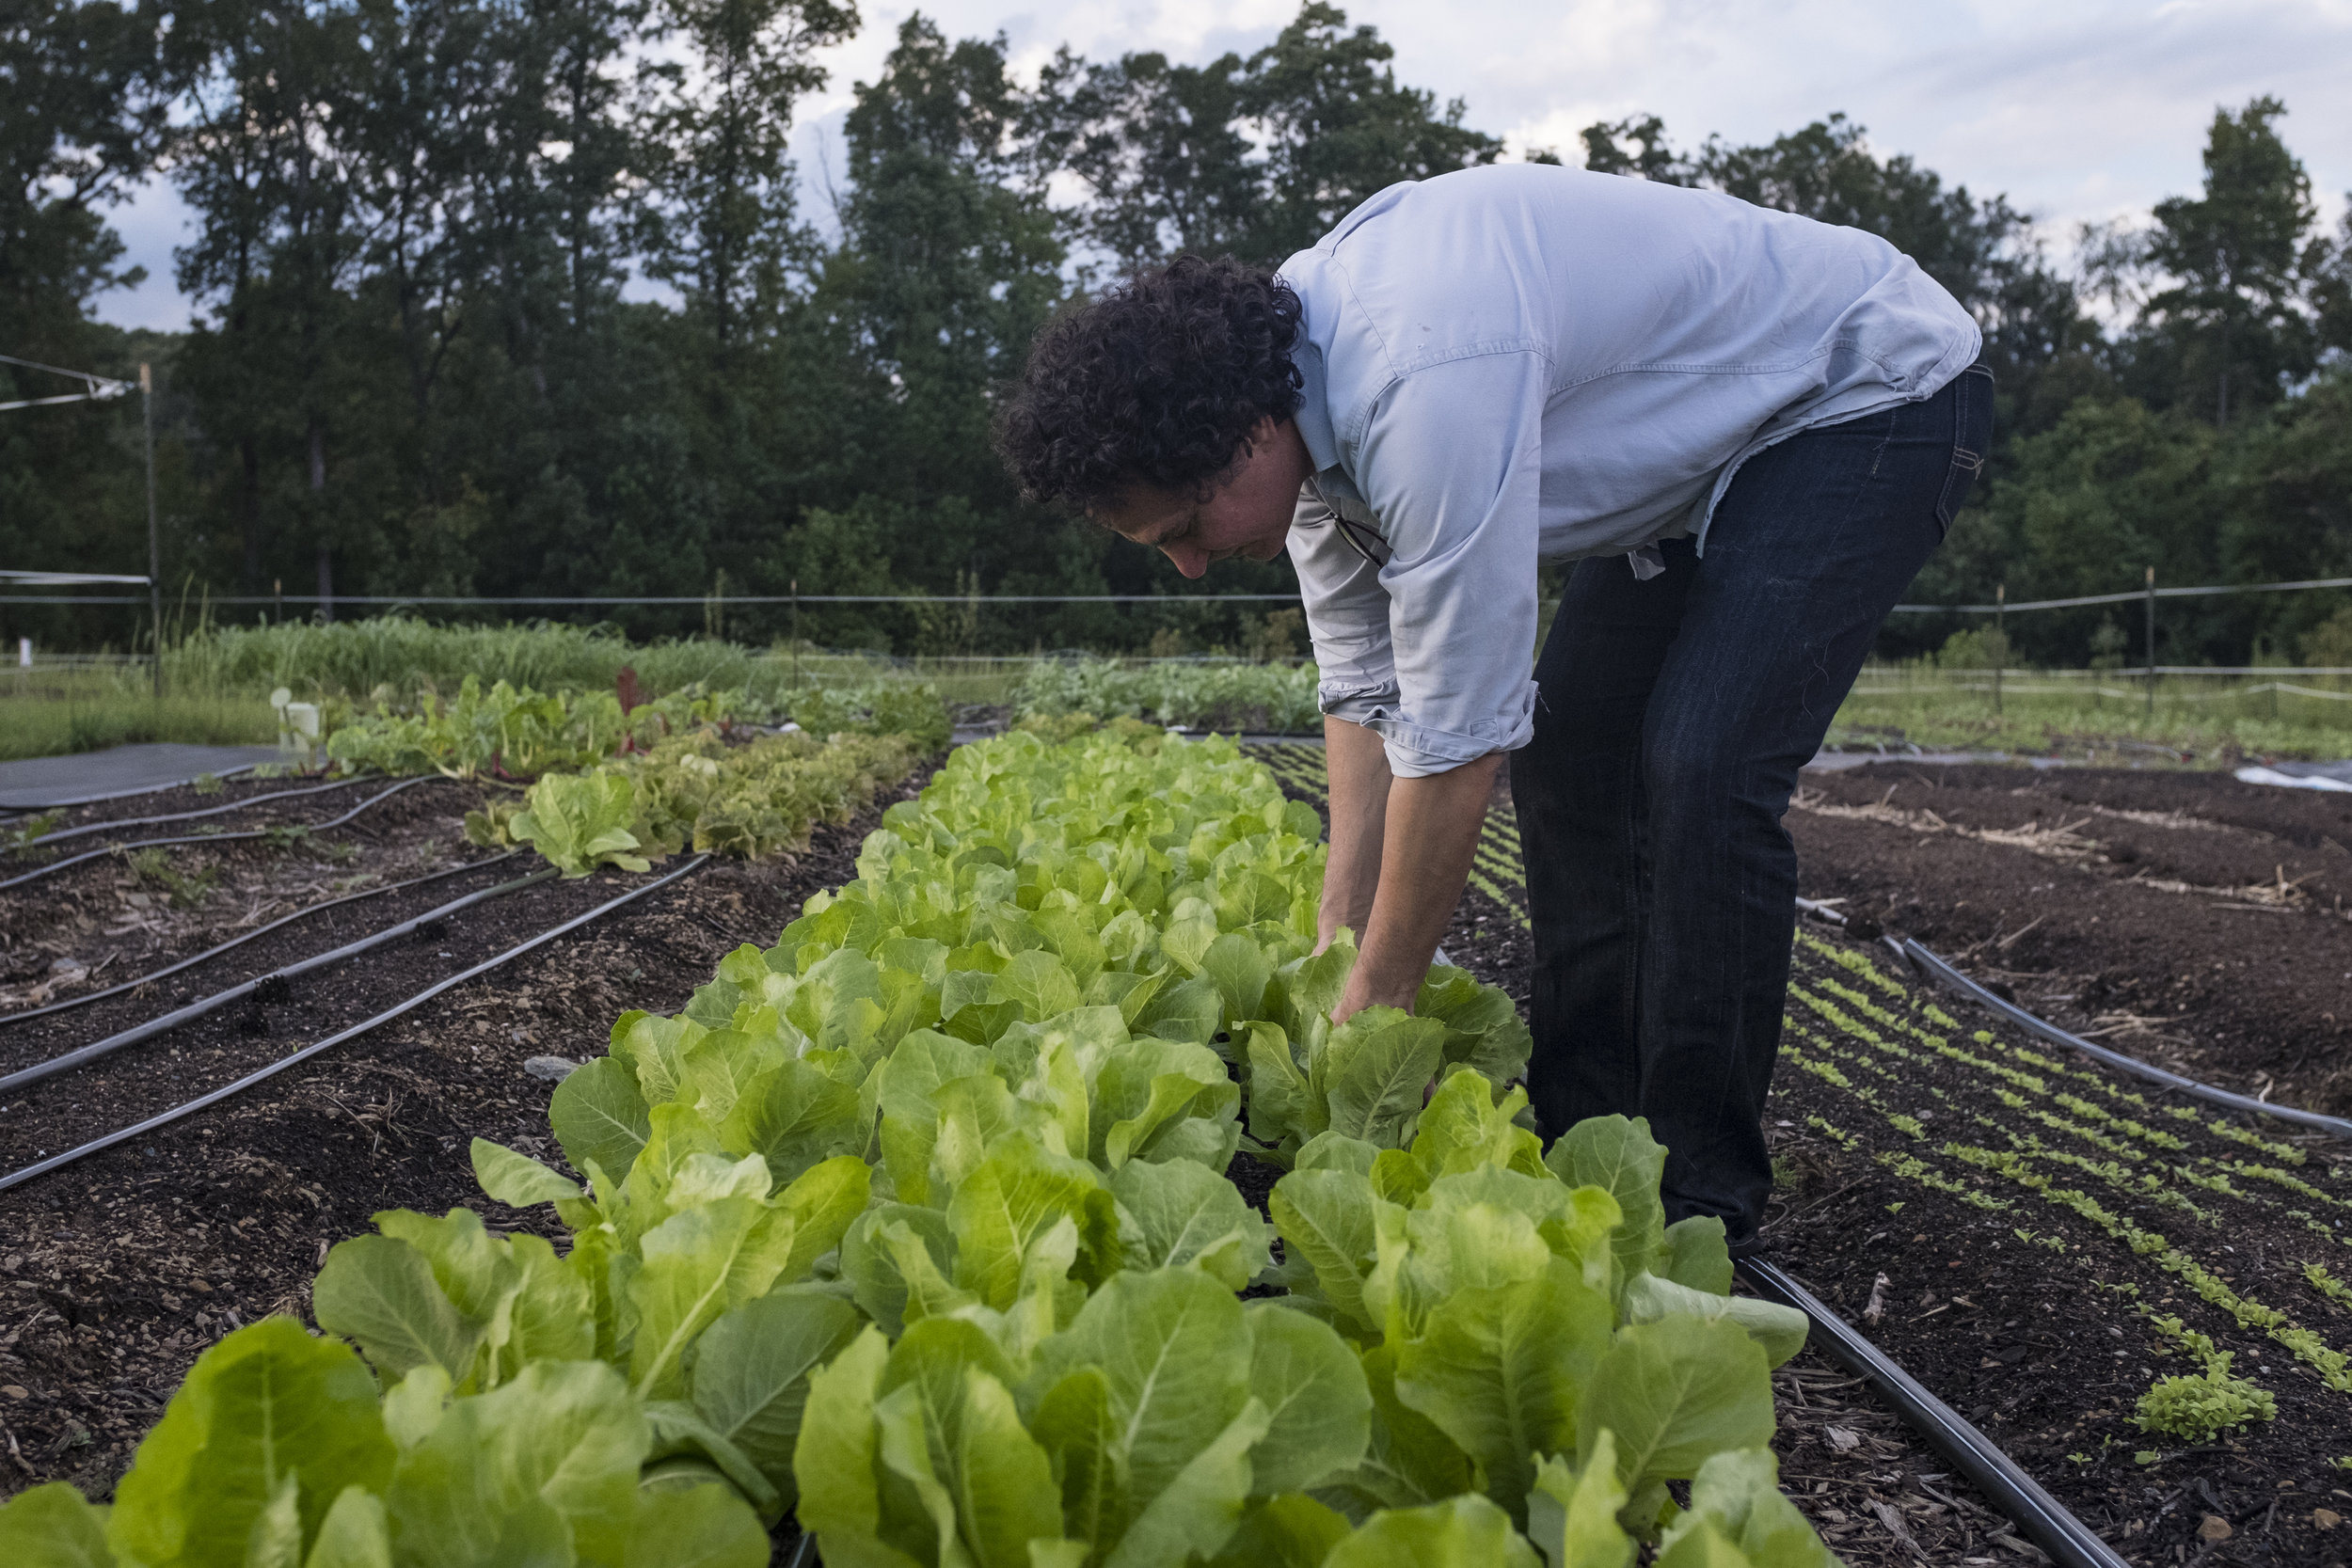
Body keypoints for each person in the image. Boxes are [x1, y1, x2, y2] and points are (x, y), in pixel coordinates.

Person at [994, 162, 1990, 1251]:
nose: (1189, 564)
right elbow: (1368, 692)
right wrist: (1341, 924)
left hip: (1859, 392)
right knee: (1570, 762)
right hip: (1703, 453)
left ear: (1241, 436)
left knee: (1701, 767)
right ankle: (1587, 1133)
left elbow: (1457, 735)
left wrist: (1383, 994)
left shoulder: (1419, 378)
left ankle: (1702, 1195)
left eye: (1184, 523)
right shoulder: (1305, 419)